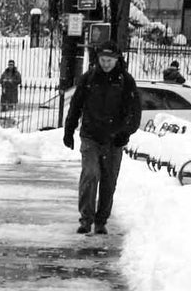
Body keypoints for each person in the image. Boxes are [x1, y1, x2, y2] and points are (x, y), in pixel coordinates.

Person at [61, 37, 142, 234]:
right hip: (90, 136)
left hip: (114, 140)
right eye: (103, 60)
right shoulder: (89, 79)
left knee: (108, 180)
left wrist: (125, 132)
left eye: (110, 60)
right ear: (98, 59)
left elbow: (135, 112)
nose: (106, 64)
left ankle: (101, 221)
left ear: (117, 60)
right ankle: (86, 219)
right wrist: (69, 130)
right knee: (90, 174)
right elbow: (76, 105)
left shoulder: (126, 81)